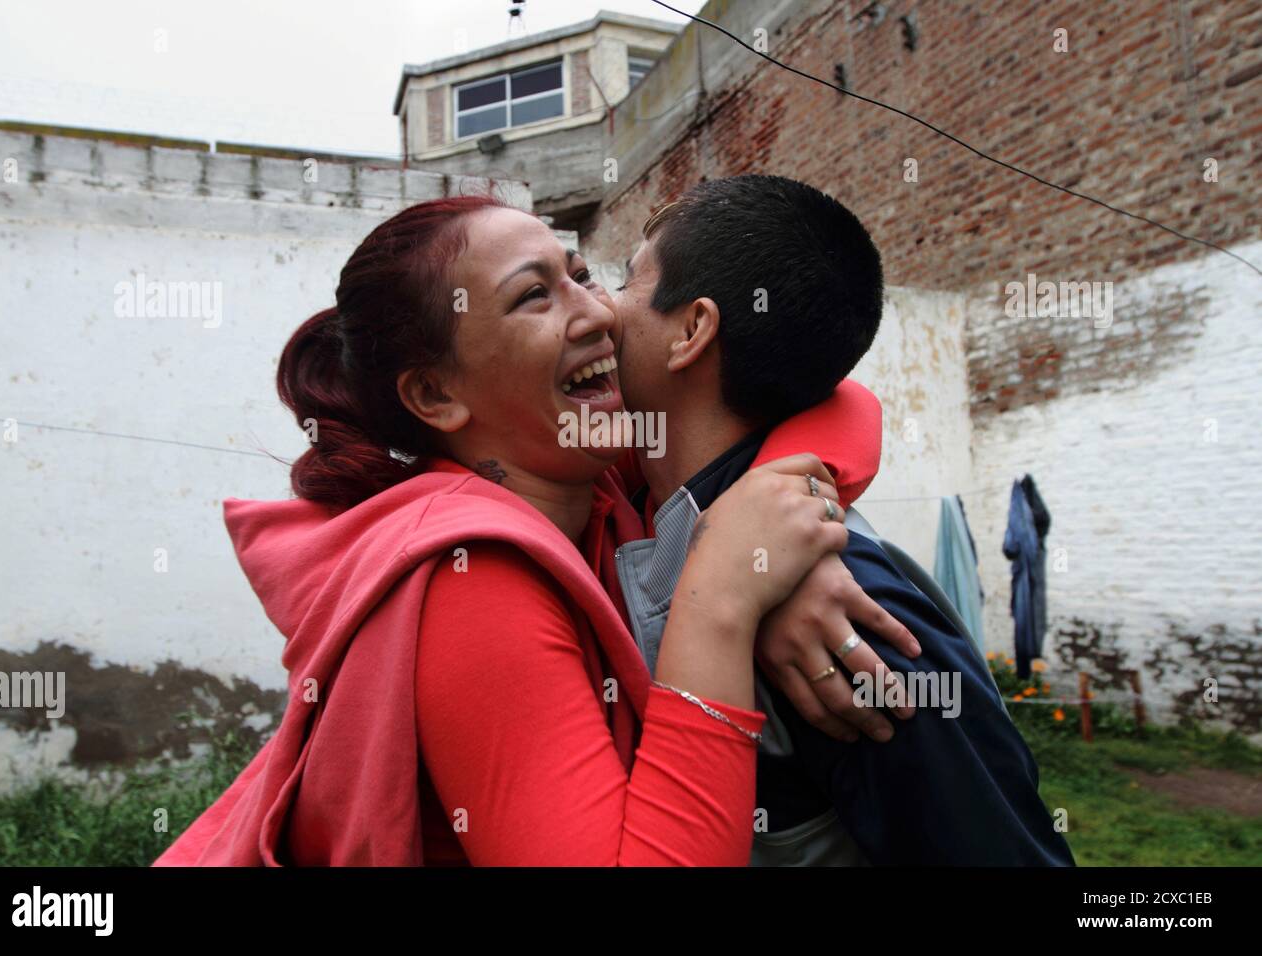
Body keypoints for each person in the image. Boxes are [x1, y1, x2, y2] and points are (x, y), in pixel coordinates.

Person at [153, 194, 886, 866]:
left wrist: (794, 505)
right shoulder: (474, 580)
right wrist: (723, 602)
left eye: (580, 274)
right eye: (534, 296)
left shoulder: (587, 473)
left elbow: (837, 396)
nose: (600, 315)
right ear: (436, 394)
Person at [610, 174, 1076, 865]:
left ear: (691, 330)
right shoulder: (634, 507)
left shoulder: (848, 617)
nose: (601, 307)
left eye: (628, 282)